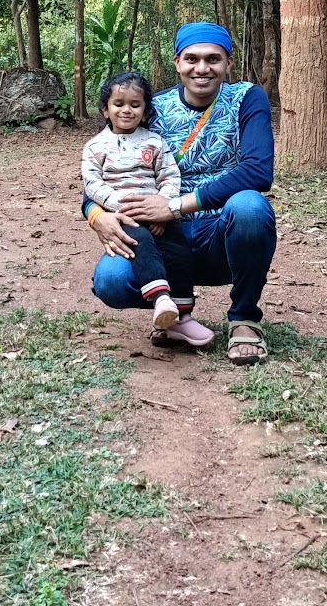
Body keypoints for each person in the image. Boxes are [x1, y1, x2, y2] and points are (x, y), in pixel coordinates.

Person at [85, 21, 276, 365]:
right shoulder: (150, 108)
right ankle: (170, 313)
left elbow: (258, 172)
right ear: (177, 62)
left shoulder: (247, 98)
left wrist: (174, 206)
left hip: (221, 232)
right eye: (192, 59)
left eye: (213, 59)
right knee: (111, 281)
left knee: (250, 206)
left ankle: (244, 318)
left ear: (228, 63)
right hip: (161, 235)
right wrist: (95, 215)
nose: (202, 68)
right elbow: (104, 168)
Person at [81, 71, 196, 335]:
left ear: (145, 111)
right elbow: (92, 182)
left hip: (157, 212)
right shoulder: (95, 146)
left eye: (135, 105)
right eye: (118, 104)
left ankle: (182, 315)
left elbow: (169, 175)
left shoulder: (155, 142)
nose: (127, 110)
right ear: (104, 110)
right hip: (123, 216)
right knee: (140, 245)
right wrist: (117, 205)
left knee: (178, 250)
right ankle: (160, 300)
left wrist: (163, 205)